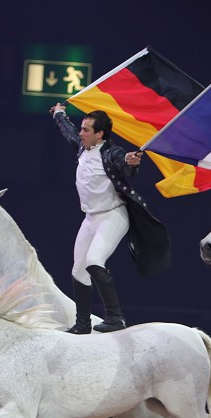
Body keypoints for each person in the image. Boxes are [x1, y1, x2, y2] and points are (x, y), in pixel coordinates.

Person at [50, 102, 171, 334]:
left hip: (113, 216)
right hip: (91, 219)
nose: (80, 133)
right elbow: (67, 131)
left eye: (86, 130)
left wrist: (130, 163)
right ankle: (83, 324)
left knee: (94, 261)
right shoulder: (83, 148)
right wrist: (59, 114)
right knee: (78, 271)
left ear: (100, 134)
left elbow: (124, 165)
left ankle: (115, 318)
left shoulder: (111, 152)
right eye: (82, 128)